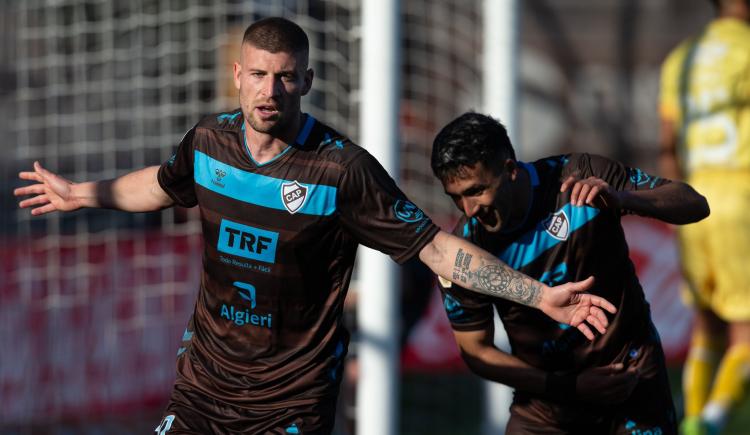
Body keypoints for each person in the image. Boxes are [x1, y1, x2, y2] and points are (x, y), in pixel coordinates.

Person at [14, 18, 616, 434]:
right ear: (237, 74)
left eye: (284, 77)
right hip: (205, 385)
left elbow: (437, 251)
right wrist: (81, 194)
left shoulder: (341, 171)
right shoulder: (208, 143)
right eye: (258, 75)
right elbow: (162, 185)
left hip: (292, 401)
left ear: (305, 80)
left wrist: (540, 295)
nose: (269, 91)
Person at [430, 112, 710, 435]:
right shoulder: (465, 252)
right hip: (547, 407)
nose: (468, 209)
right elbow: (477, 351)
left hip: (630, 384)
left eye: (476, 190)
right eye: (455, 197)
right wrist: (569, 387)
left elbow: (695, 203)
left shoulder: (579, 177)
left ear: (509, 170)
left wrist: (623, 199)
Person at [659, 1, 750, 433]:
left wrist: (678, 208)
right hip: (741, 197)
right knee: (747, 332)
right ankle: (713, 422)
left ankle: (692, 416)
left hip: (693, 202)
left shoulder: (681, 59)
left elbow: (667, 144)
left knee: (707, 325)